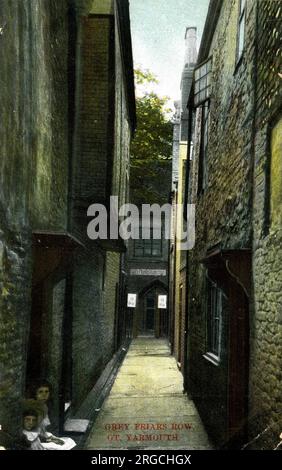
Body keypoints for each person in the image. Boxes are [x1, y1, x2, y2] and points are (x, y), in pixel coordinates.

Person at [31, 379, 76, 450]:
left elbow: (42, 430)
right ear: (35, 394)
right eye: (40, 392)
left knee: (69, 442)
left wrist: (51, 439)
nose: (44, 395)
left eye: (46, 392)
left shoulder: (44, 407)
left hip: (42, 436)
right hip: (33, 440)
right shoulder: (32, 408)